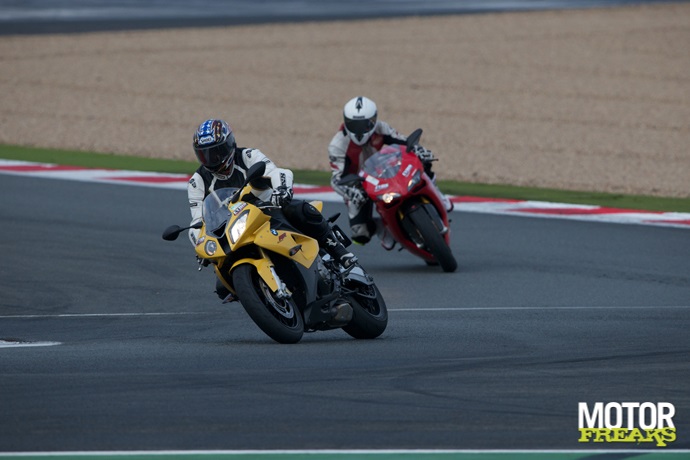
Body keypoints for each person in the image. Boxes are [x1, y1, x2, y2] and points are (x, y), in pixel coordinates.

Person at [188, 119, 357, 298]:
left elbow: (276, 172)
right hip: (233, 228)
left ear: (229, 144)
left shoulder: (248, 156)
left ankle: (339, 251)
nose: (212, 159)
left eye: (217, 152)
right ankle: (259, 293)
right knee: (222, 287)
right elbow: (198, 222)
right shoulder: (197, 182)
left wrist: (281, 190)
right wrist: (202, 245)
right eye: (205, 155)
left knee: (301, 210)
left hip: (268, 208)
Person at [328, 96, 453, 248]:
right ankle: (384, 229)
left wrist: (419, 150)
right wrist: (351, 192)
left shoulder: (382, 128)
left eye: (364, 124)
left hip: (387, 169)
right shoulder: (337, 145)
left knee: (423, 162)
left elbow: (405, 142)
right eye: (354, 124)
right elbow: (336, 179)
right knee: (360, 235)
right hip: (359, 184)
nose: (359, 130)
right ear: (346, 121)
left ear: (373, 121)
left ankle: (439, 196)